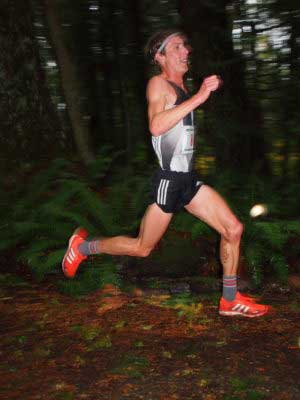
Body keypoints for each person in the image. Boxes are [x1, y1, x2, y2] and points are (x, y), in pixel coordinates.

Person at [62, 29, 270, 318]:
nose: (185, 50)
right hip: (169, 181)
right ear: (160, 56)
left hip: (188, 179)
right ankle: (84, 247)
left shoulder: (182, 89)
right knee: (142, 248)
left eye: (185, 45)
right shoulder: (158, 84)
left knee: (233, 229)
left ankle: (229, 299)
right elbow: (157, 127)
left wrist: (209, 87)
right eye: (176, 47)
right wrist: (200, 96)